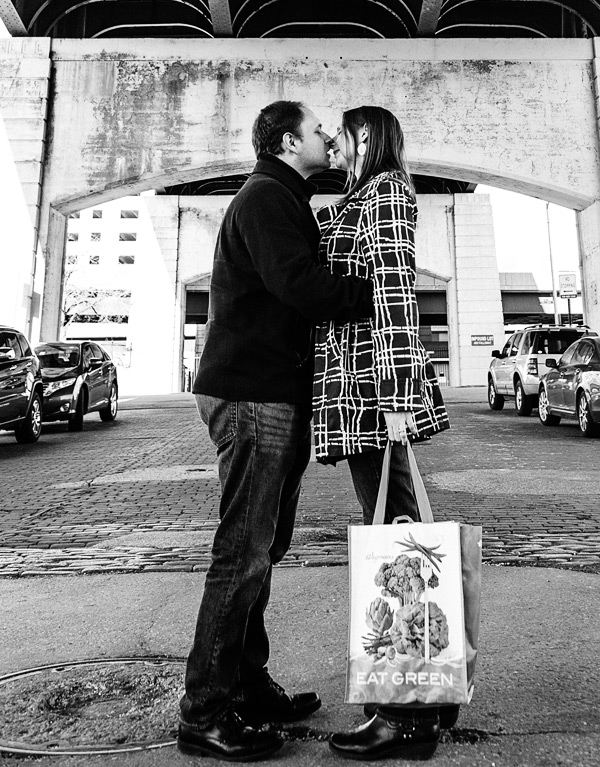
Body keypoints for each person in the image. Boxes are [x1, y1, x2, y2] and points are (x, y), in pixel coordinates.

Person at [178, 100, 375, 762]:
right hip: (252, 393)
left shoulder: (281, 197)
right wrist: (370, 291)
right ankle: (205, 709)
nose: (328, 138)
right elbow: (301, 285)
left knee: (263, 546)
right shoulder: (266, 196)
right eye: (319, 131)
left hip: (269, 391)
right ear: (291, 141)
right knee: (243, 549)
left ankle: (247, 683)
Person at [311, 106, 452, 762]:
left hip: (376, 392)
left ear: (371, 140)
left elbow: (395, 290)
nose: (337, 144)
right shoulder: (363, 196)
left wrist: (397, 397)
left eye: (347, 135)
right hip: (362, 390)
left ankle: (405, 713)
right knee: (398, 534)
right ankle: (425, 696)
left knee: (398, 542)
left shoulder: (388, 190)